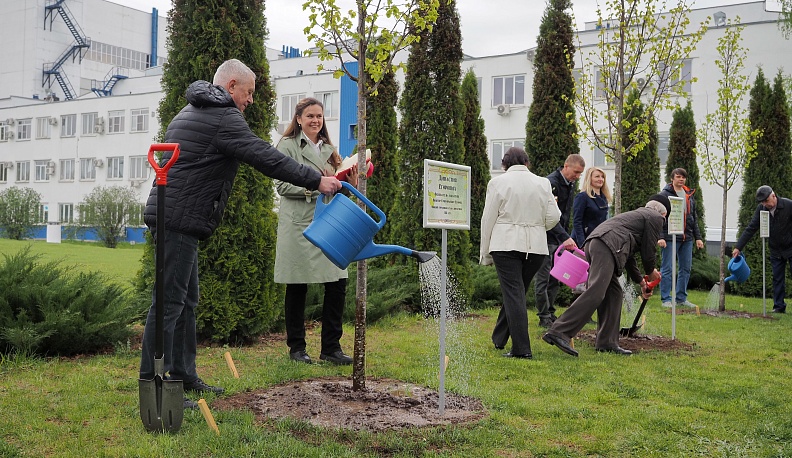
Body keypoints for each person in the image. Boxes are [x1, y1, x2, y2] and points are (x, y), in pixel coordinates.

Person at [139, 60, 342, 408]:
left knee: (185, 301)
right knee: (169, 304)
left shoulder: (192, 108)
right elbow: (265, 157)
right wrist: (316, 179)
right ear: (232, 86)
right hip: (179, 218)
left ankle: (182, 375)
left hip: (176, 215)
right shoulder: (222, 114)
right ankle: (154, 388)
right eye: (248, 93)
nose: (250, 101)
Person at [274, 97, 357, 365]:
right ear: (298, 119)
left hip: (329, 223)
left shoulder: (331, 151)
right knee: (297, 286)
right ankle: (297, 349)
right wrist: (315, 187)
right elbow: (282, 186)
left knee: (338, 281)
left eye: (319, 116)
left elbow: (337, 186)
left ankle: (331, 348)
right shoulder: (286, 146)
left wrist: (350, 182)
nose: (315, 120)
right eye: (310, 116)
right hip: (300, 224)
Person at [542, 195, 667, 357]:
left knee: (614, 294)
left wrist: (641, 283)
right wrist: (651, 271)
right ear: (663, 214)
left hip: (597, 243)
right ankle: (559, 331)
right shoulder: (655, 217)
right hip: (606, 246)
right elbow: (648, 251)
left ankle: (607, 342)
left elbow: (629, 258)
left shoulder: (636, 218)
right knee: (596, 291)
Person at [480, 147, 561, 359]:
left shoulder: (497, 183)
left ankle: (521, 349)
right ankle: (499, 338)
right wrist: (536, 226)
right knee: (516, 292)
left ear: (504, 164)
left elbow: (488, 220)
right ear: (527, 162)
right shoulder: (543, 183)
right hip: (536, 247)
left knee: (514, 294)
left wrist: (485, 253)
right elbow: (554, 217)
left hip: (505, 244)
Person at [534, 154, 586, 328]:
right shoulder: (551, 183)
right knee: (543, 279)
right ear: (566, 166)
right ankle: (543, 316)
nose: (577, 176)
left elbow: (564, 215)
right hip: (546, 238)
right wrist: (565, 237)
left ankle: (550, 312)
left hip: (559, 239)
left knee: (555, 278)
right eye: (576, 172)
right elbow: (548, 216)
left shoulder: (569, 184)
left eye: (580, 174)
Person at [733, 185, 792, 313]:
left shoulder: (788, 205)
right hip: (776, 250)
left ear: (773, 196)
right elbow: (751, 228)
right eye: (762, 202)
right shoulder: (762, 209)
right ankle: (779, 306)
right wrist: (738, 247)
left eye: (767, 201)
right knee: (777, 278)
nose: (765, 204)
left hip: (790, 247)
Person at [657, 168, 704, 308]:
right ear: (672, 178)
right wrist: (660, 236)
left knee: (686, 268)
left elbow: (693, 218)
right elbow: (658, 216)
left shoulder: (689, 195)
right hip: (670, 237)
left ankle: (681, 298)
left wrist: (698, 237)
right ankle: (666, 298)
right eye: (678, 177)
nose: (681, 179)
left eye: (683, 177)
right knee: (667, 268)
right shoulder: (664, 195)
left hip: (687, 238)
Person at [570, 166, 611, 248]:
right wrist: (582, 244)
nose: (601, 179)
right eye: (597, 176)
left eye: (602, 177)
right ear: (590, 179)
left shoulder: (604, 198)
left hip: (597, 240)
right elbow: (577, 222)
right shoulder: (582, 197)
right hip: (583, 241)